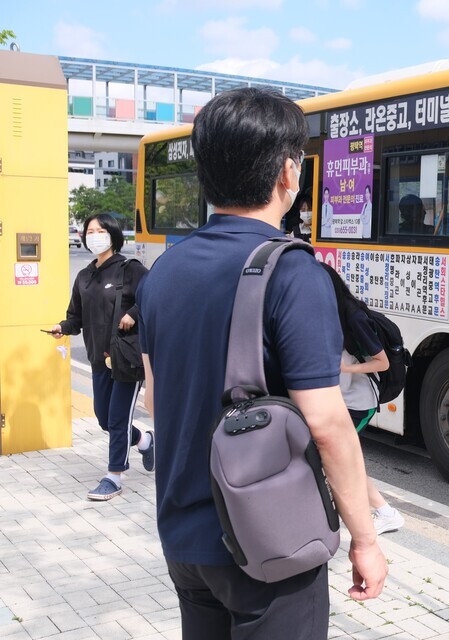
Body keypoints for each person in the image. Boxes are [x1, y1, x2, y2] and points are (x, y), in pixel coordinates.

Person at [136, 87, 386, 639]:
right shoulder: (293, 273)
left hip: (185, 540)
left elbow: (155, 400)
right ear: (288, 173)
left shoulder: (163, 272)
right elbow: (325, 422)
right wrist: (365, 539)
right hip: (268, 543)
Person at [49, 214, 153, 501]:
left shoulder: (130, 270)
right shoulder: (85, 276)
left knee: (118, 419)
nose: (94, 235)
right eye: (89, 231)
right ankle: (145, 440)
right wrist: (63, 327)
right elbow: (76, 317)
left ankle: (114, 476)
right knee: (104, 419)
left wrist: (133, 314)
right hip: (98, 359)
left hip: (125, 360)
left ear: (113, 234)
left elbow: (154, 297)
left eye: (100, 230)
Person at [319, 262, 405, 535]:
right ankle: (381, 512)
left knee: (340, 458)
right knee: (344, 458)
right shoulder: (332, 313)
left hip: (360, 403)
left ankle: (385, 513)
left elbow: (382, 363)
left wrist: (347, 368)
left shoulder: (354, 317)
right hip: (343, 399)